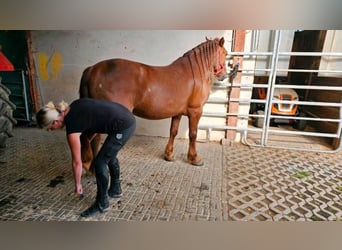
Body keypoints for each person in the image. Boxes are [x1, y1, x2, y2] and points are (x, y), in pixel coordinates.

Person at [36, 98, 136, 217]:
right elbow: (94, 121)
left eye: (50, 128)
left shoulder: (72, 127)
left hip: (124, 126)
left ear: (55, 121)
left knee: (100, 162)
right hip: (125, 117)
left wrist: (78, 184)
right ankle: (115, 190)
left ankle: (102, 203)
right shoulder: (74, 106)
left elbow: (77, 162)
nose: (52, 130)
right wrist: (88, 139)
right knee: (109, 155)